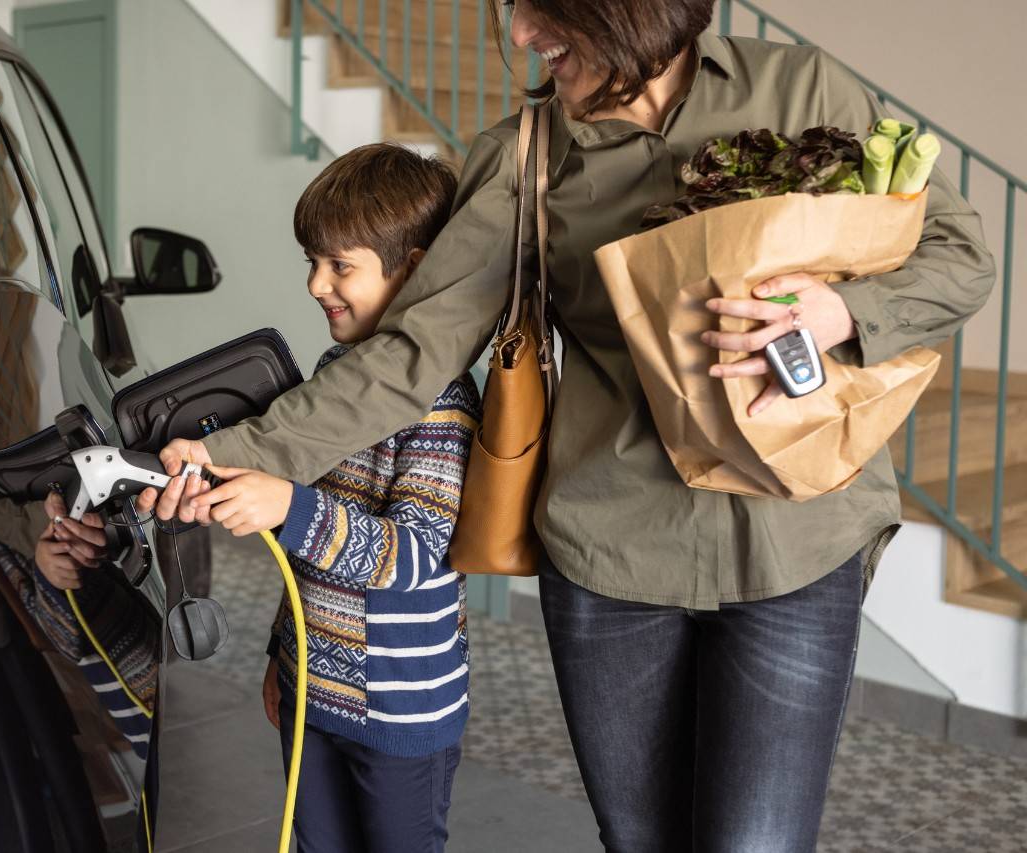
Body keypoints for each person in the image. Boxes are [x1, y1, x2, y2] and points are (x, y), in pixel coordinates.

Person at [142, 1, 996, 850]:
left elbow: (959, 254)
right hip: (611, 560)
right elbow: (410, 353)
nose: (519, 35)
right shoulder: (526, 155)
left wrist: (840, 310)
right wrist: (228, 453)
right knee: (639, 839)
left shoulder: (800, 87)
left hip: (799, 541)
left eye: (541, 9)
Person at [140, 143, 477, 852]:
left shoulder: (441, 401)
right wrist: (282, 655)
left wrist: (289, 508)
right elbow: (307, 564)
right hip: (311, 692)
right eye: (312, 263)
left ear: (412, 269)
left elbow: (416, 554)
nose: (316, 284)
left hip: (400, 714)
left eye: (339, 266)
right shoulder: (331, 376)